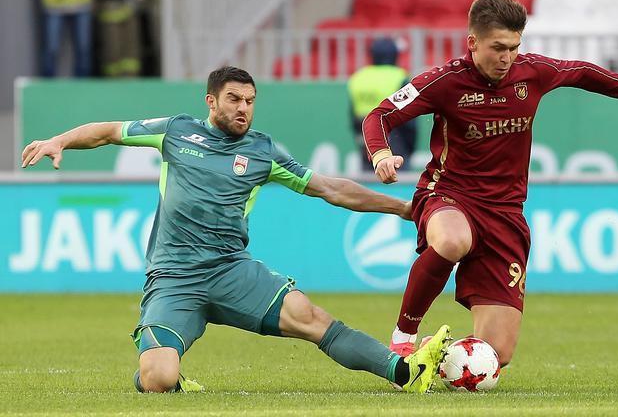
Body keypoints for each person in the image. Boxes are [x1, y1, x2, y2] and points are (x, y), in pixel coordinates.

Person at [21, 66, 451, 394]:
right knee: (157, 378)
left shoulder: (262, 151)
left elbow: (330, 189)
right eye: (233, 99)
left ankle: (404, 372)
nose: (243, 108)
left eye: (249, 100)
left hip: (232, 271)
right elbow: (108, 132)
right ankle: (169, 372)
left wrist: (403, 209)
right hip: (175, 278)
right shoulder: (175, 132)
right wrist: (60, 140)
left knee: (313, 319)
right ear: (211, 101)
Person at [362, 0, 618, 365]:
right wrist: (381, 153)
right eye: (498, 48)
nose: (507, 57)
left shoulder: (532, 72)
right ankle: (403, 337)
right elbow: (379, 116)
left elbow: (580, 72)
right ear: (472, 42)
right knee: (453, 240)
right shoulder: (443, 81)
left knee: (495, 356)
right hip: (449, 195)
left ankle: (438, 358)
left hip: (506, 213)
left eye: (514, 47)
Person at [348, 38, 417, 173]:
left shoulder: (358, 77)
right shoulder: (400, 76)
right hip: (395, 142)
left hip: (367, 141)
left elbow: (352, 117)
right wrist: (409, 150)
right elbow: (410, 122)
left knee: (369, 185)